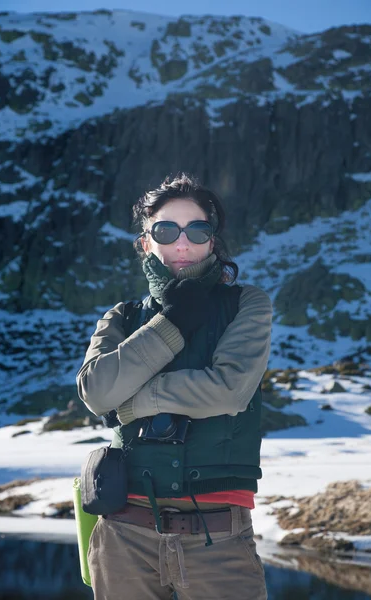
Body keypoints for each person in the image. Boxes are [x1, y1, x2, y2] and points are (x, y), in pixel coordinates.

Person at [76, 173, 272, 600]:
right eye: (166, 230)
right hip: (122, 537)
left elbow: (229, 390)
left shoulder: (247, 304)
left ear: (212, 241)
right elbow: (96, 392)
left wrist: (132, 403)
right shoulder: (123, 316)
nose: (182, 243)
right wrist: (173, 324)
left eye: (197, 230)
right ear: (147, 241)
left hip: (217, 536)